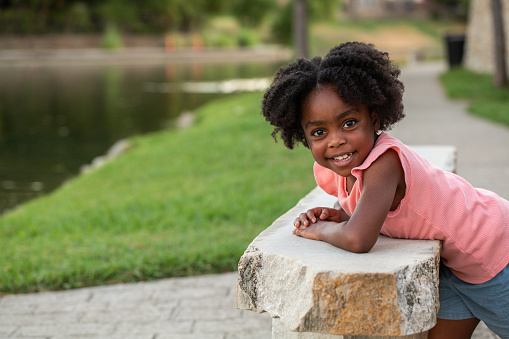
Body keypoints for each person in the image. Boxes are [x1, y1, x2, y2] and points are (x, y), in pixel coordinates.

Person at [261, 41, 509, 339]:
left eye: (349, 123)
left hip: (495, 255)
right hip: (454, 267)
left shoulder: (385, 161)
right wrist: (340, 215)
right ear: (303, 136)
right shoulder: (344, 168)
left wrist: (321, 230)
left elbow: (359, 239)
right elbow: (363, 210)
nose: (335, 140)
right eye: (319, 132)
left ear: (374, 120)